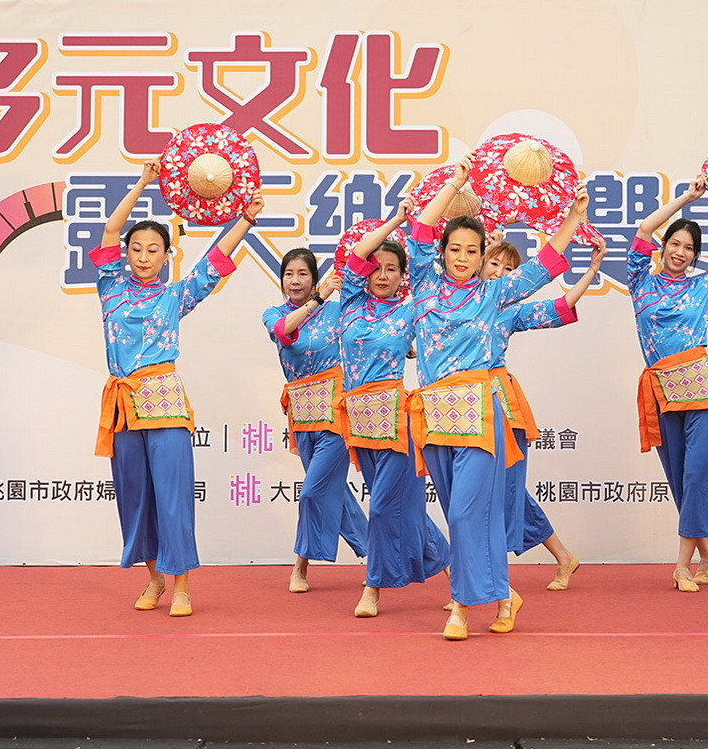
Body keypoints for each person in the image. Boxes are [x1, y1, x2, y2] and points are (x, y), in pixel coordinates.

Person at [409, 153, 586, 640]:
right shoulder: (424, 286)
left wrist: (572, 218)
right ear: (443, 253)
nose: (463, 257)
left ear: (482, 254)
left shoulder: (495, 296)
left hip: (485, 417)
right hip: (437, 416)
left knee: (468, 511)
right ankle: (505, 594)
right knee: (459, 514)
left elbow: (546, 268)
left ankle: (462, 610)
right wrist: (454, 184)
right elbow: (420, 231)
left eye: (472, 250)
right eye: (456, 249)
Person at [93, 158, 258, 617]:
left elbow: (213, 263)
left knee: (172, 495)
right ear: (128, 255)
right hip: (125, 406)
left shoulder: (175, 296)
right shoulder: (110, 288)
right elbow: (110, 230)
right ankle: (154, 580)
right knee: (135, 497)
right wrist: (144, 183)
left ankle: (182, 585)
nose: (144, 256)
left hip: (164, 402)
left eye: (154, 250)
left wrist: (245, 219)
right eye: (137, 249)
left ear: (168, 256)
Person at [630, 174, 708, 592]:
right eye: (675, 244)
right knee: (680, 476)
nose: (680, 252)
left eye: (689, 249)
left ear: (696, 257)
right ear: (664, 248)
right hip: (661, 390)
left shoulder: (704, 285)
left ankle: (681, 565)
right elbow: (643, 230)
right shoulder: (641, 282)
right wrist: (687, 199)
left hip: (701, 387)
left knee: (699, 471)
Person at [339, 204, 451, 618]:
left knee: (384, 507)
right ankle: (460, 574)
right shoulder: (349, 302)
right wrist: (396, 223)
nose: (382, 275)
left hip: (396, 420)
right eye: (376, 267)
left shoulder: (410, 310)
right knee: (407, 511)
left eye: (392, 269)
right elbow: (353, 259)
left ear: (404, 276)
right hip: (358, 421)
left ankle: (372, 587)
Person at [481, 230, 607, 591]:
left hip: (501, 406)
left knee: (502, 492)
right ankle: (564, 556)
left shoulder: (510, 312)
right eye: (494, 262)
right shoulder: (452, 301)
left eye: (509, 268)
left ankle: (487, 582)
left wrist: (591, 270)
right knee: (495, 491)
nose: (500, 271)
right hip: (460, 406)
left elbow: (560, 307)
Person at [264, 251, 368, 593]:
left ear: (313, 278)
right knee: (332, 492)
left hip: (337, 412)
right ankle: (374, 554)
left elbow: (367, 330)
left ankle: (299, 567)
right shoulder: (274, 314)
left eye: (303, 274)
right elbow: (284, 332)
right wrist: (320, 296)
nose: (295, 281)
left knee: (313, 492)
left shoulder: (338, 312)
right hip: (303, 416)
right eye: (289, 274)